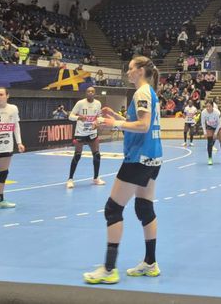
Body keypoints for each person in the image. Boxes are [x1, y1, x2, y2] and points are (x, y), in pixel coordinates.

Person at [83, 56, 163, 284]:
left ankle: (109, 269)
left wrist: (114, 124)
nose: (127, 72)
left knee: (113, 209)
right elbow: (140, 123)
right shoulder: (149, 92)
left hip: (138, 158)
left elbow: (143, 125)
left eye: (130, 68)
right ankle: (150, 263)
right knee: (144, 208)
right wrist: (117, 117)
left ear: (140, 71)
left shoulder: (142, 93)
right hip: (153, 157)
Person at [66, 87, 104, 189]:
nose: (90, 93)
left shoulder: (98, 103)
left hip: (92, 132)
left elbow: (99, 116)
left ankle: (96, 178)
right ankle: (70, 179)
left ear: (95, 93)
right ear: (86, 93)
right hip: (81, 133)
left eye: (92, 91)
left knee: (97, 155)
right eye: (88, 91)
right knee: (77, 156)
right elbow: (70, 116)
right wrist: (78, 117)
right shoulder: (80, 103)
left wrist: (97, 122)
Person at [201, 99, 221, 165]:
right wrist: (204, 132)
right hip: (210, 126)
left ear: (212, 106)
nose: (208, 108)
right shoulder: (203, 112)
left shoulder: (217, 112)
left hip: (218, 126)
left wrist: (216, 133)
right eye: (206, 106)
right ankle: (210, 158)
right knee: (209, 142)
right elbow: (203, 123)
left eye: (209, 106)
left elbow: (220, 123)